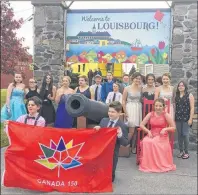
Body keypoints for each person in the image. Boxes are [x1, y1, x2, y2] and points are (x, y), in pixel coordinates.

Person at [94, 101, 128, 182]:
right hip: (100, 151)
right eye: (109, 111)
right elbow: (98, 137)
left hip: (112, 154)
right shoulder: (103, 121)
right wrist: (97, 129)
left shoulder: (122, 125)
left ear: (119, 113)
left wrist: (119, 134)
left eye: (113, 112)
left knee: (109, 178)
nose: (110, 113)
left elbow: (125, 143)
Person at [139, 98, 176, 172]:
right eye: (156, 106)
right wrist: (147, 131)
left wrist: (165, 129)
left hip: (162, 135)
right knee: (146, 141)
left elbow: (173, 127)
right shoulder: (150, 114)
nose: (158, 108)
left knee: (153, 143)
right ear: (154, 106)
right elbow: (141, 125)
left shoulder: (166, 115)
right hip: (152, 133)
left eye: (160, 106)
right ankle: (149, 164)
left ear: (163, 107)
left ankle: (157, 164)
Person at [122, 72, 142, 153]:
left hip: (138, 108)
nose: (138, 80)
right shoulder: (127, 88)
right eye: (136, 78)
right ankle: (125, 145)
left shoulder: (141, 88)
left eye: (139, 79)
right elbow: (123, 100)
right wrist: (125, 112)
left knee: (137, 129)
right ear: (132, 78)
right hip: (130, 108)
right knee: (131, 129)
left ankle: (133, 147)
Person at [175, 81, 195, 159]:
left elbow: (192, 108)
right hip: (178, 118)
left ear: (185, 86)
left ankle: (186, 152)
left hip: (186, 118)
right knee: (180, 135)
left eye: (182, 85)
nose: (180, 87)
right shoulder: (176, 96)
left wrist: (190, 119)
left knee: (185, 135)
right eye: (179, 85)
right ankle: (181, 151)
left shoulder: (189, 95)